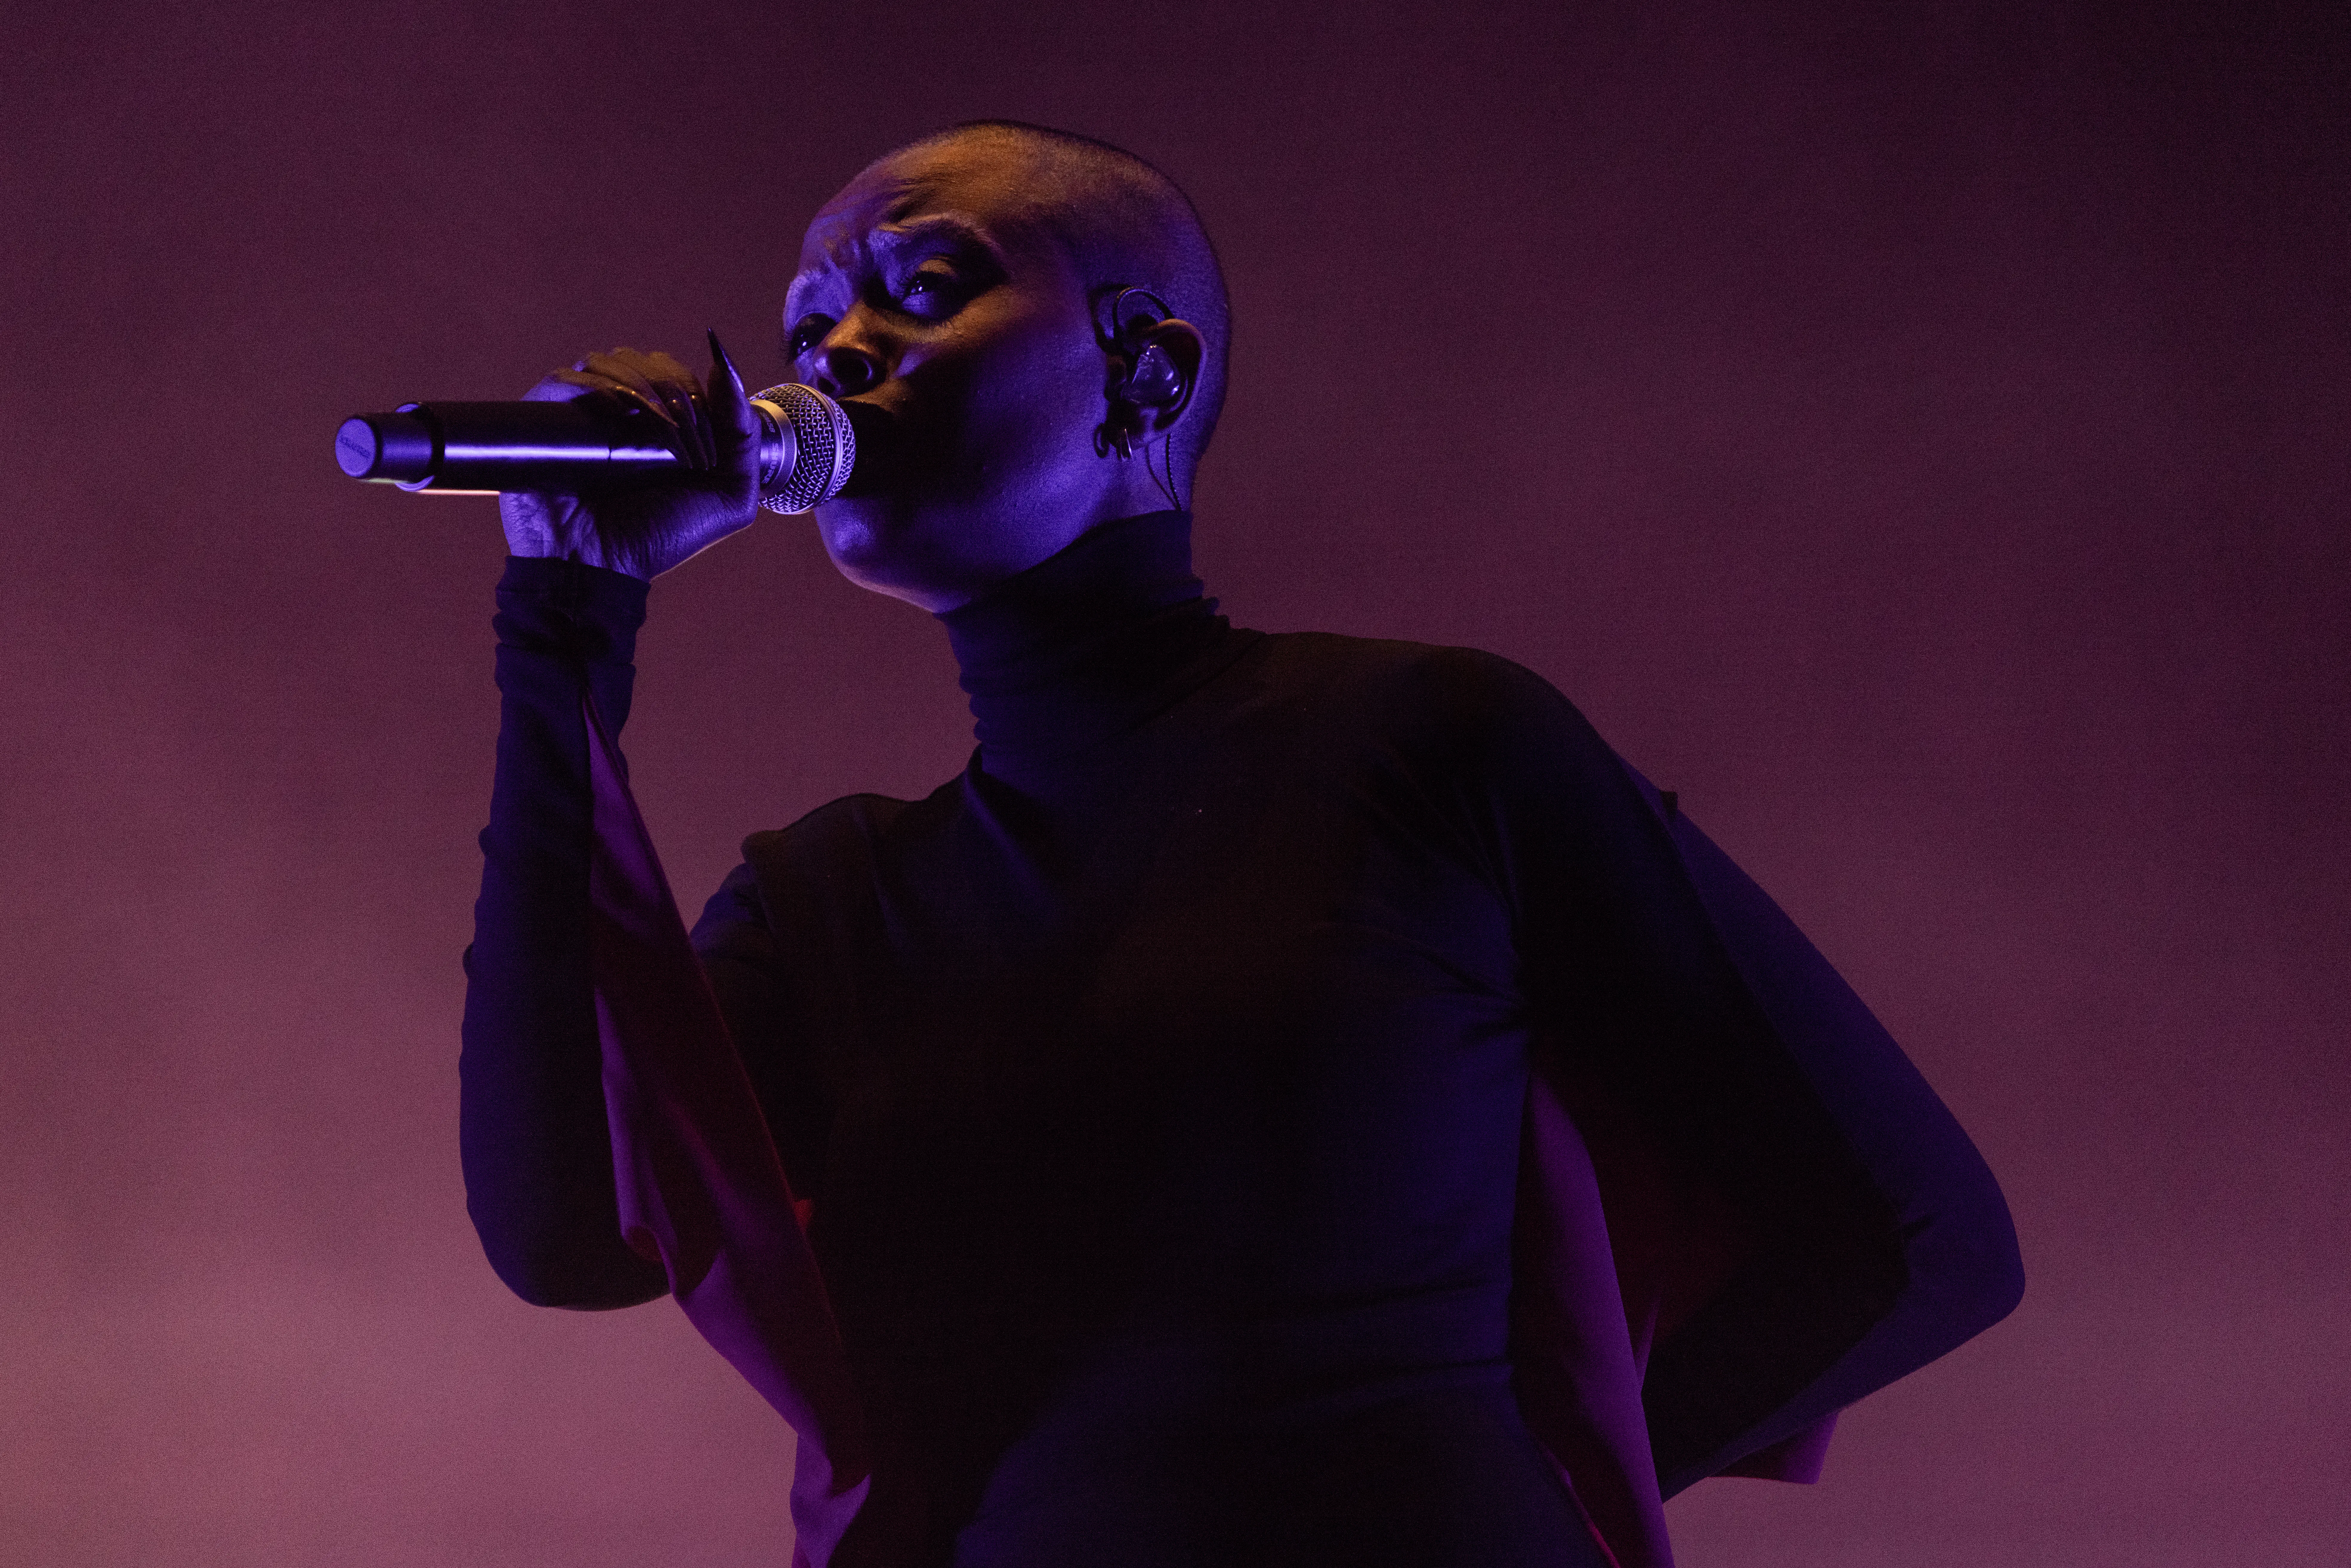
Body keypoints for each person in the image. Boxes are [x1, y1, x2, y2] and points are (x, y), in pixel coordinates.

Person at [459, 121, 2024, 1568]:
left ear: (1147, 370)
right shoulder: (835, 907)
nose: (839, 350)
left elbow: (1909, 1234)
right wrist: (567, 616)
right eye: (809, 327)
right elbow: (567, 1236)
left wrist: (1496, 1491)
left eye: (923, 287)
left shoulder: (1428, 745)